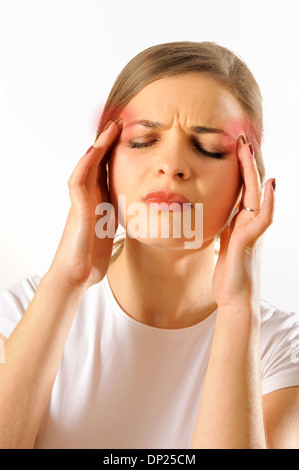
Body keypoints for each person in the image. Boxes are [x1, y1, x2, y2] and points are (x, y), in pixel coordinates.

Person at [0, 41, 299, 449]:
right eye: (143, 141)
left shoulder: (281, 349)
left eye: (208, 148)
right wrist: (67, 280)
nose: (171, 165)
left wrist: (237, 308)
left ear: (246, 181)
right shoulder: (18, 313)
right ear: (103, 162)